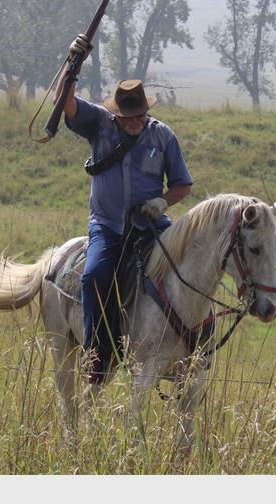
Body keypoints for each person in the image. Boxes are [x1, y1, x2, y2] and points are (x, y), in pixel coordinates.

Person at [59, 34, 193, 384]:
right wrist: (73, 64)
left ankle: (192, 349)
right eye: (128, 117)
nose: (135, 122)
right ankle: (97, 356)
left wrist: (163, 201)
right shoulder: (99, 123)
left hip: (151, 225)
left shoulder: (163, 136)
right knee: (94, 277)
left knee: (186, 268)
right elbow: (66, 104)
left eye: (140, 116)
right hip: (107, 226)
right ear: (116, 113)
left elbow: (182, 185)